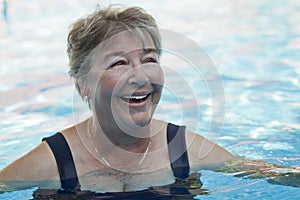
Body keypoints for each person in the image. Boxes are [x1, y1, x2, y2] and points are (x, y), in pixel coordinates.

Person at [1, 5, 298, 199]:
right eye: (119, 63)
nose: (140, 76)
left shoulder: (182, 150)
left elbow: (271, 176)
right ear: (83, 85)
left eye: (149, 59)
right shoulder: (53, 161)